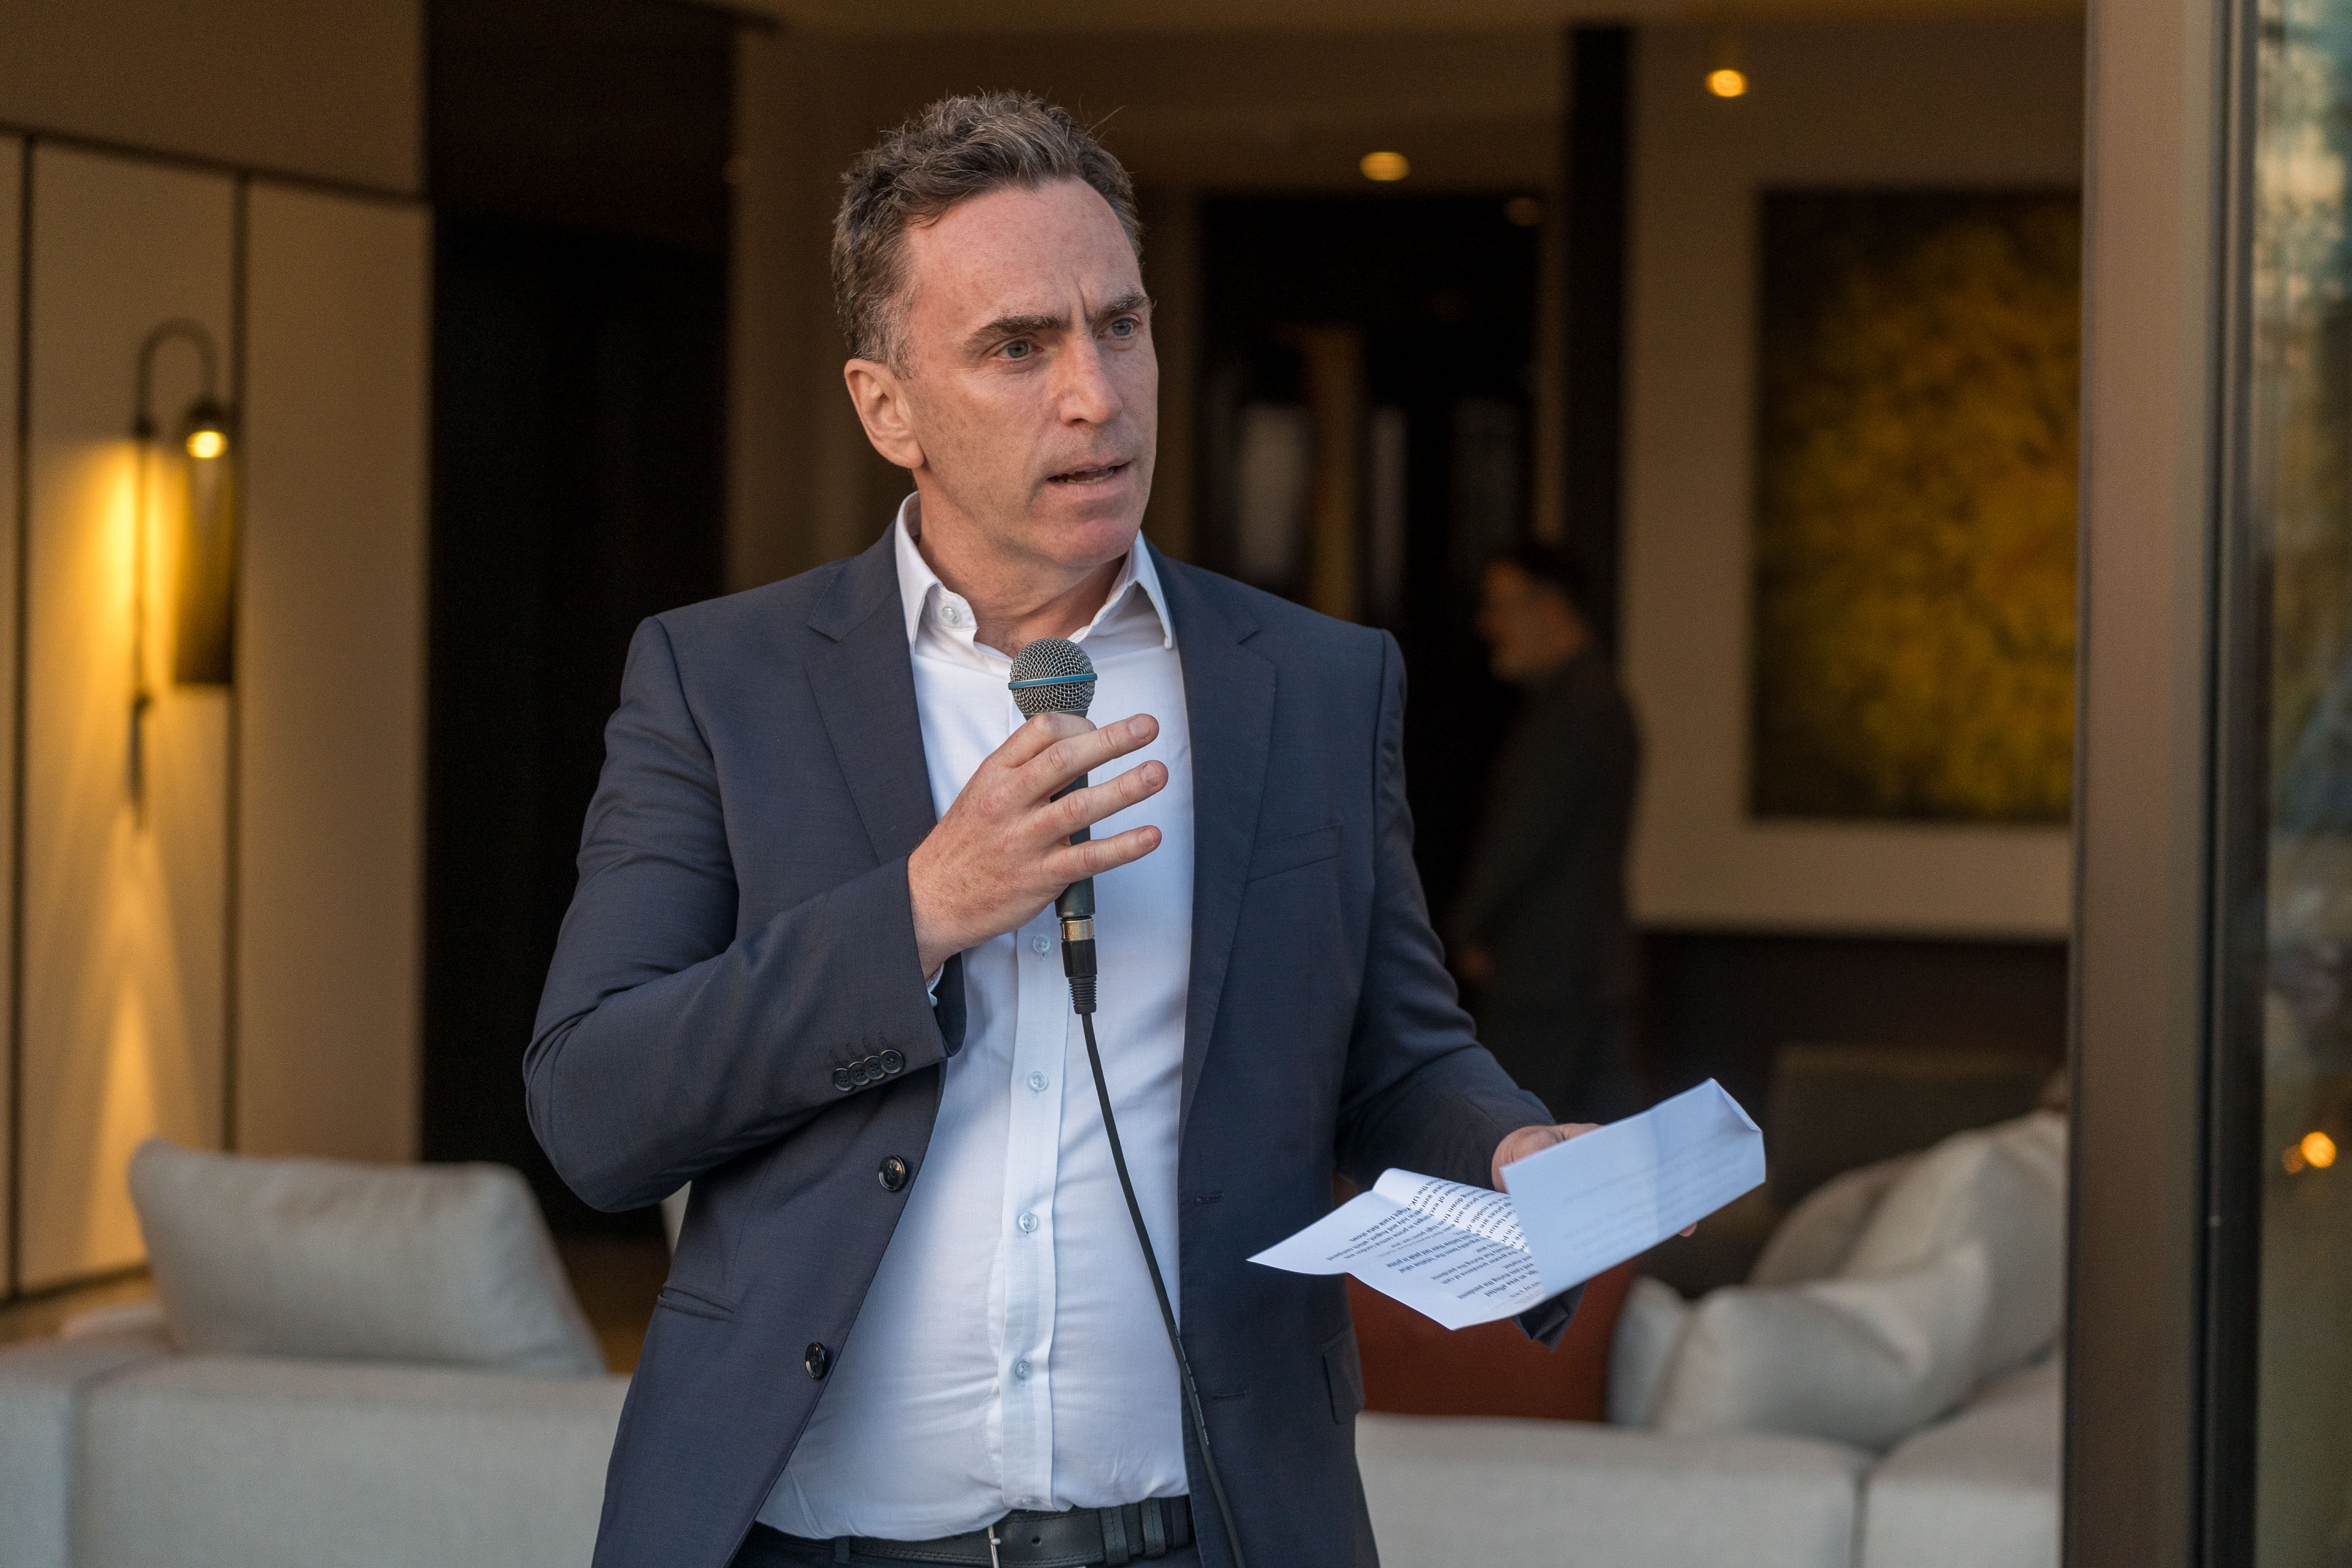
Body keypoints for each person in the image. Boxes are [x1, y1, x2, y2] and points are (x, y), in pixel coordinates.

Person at [526, 94, 1592, 1568]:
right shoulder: (720, 684)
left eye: (1120, 326)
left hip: (1200, 1536)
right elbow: (596, 1109)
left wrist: (1511, 1146)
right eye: (1018, 347)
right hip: (810, 1543)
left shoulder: (1316, 684)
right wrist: (916, 911)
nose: (1095, 394)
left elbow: (1395, 1056)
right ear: (886, 408)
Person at [1449, 540, 1643, 1124]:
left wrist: (1466, 927)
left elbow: (1523, 838)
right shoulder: (1585, 700)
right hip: (1572, 968)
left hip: (1550, 973)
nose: (1488, 625)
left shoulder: (1579, 708)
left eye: (1501, 606)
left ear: (1552, 606)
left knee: (1524, 1142)